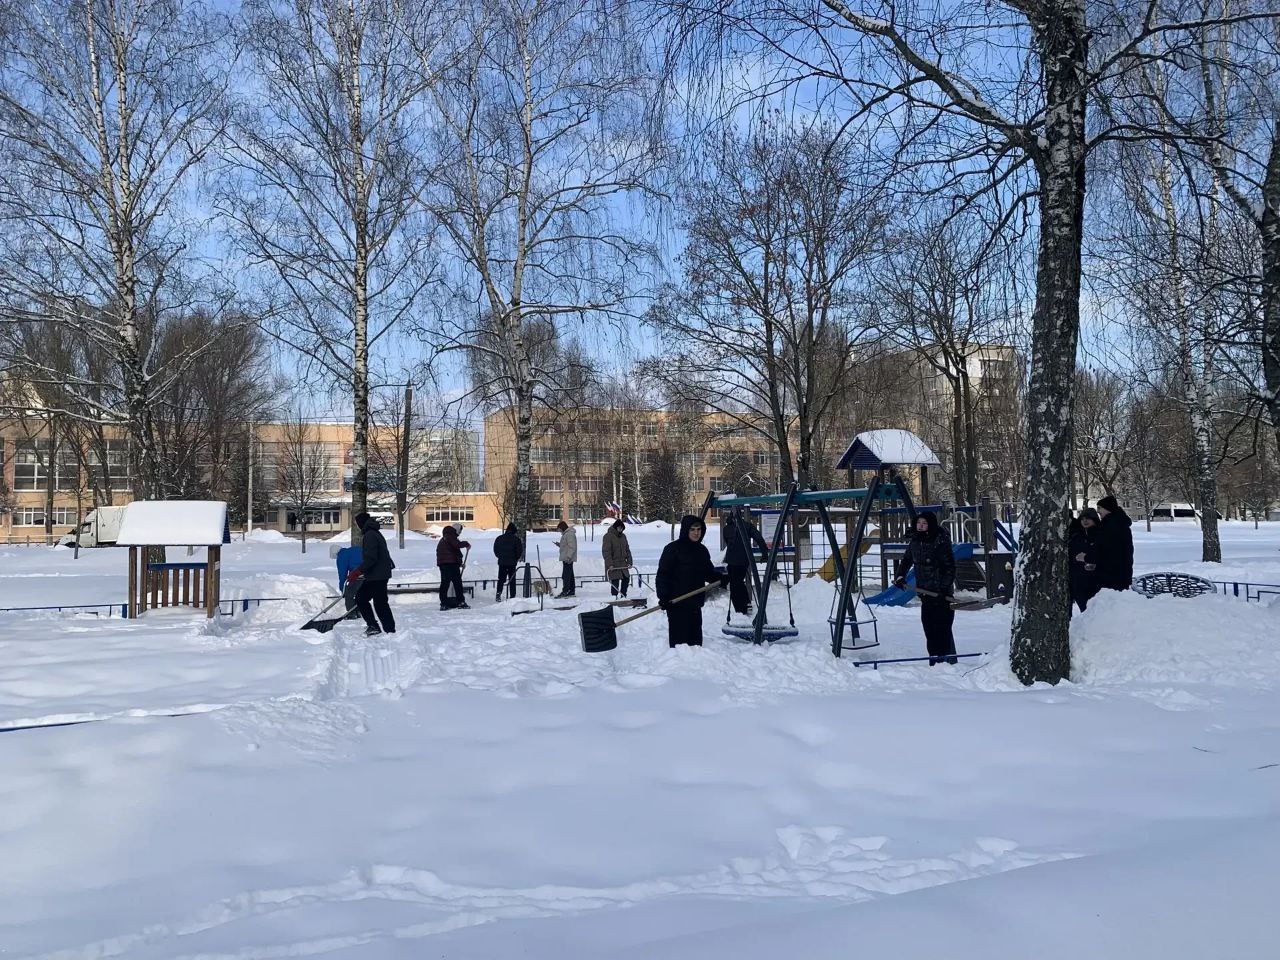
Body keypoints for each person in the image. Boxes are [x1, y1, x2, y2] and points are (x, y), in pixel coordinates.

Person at [893, 512, 957, 665]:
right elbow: (907, 560)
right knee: (929, 629)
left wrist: (942, 589)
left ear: (931, 525)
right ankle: (934, 663)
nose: (921, 526)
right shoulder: (915, 541)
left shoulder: (939, 541)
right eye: (919, 523)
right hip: (925, 594)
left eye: (924, 523)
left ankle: (945, 664)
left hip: (942, 596)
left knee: (942, 630)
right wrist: (900, 576)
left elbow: (950, 568)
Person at [655, 514, 728, 648]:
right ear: (686, 530)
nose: (696, 533)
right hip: (676, 603)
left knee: (695, 646)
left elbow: (708, 573)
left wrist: (721, 579)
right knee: (680, 647)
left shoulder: (701, 550)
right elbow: (663, 575)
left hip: (694, 603)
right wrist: (664, 596)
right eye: (692, 529)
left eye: (699, 529)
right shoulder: (672, 549)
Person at [346, 511, 396, 636]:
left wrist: (357, 572)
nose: (357, 527)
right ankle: (378, 626)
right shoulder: (375, 532)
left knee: (376, 602)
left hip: (377, 575)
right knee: (365, 599)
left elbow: (371, 558)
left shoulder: (370, 535)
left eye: (357, 524)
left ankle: (385, 629)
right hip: (377, 574)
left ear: (361, 523)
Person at [721, 510, 768, 616]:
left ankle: (741, 608)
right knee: (737, 582)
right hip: (743, 560)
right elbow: (759, 538)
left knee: (735, 583)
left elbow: (728, 542)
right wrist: (764, 553)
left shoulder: (726, 529)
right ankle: (745, 607)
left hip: (732, 560)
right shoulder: (747, 526)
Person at [1093, 495, 1134, 592]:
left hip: (1112, 576)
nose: (1098, 511)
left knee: (1110, 603)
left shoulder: (1111, 526)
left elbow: (1104, 550)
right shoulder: (1117, 523)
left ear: (1108, 509)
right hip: (1118, 575)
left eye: (1099, 508)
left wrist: (1087, 558)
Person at [1068, 508, 1101, 612]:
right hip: (1077, 579)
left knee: (1094, 610)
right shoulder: (1076, 534)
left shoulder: (1101, 535)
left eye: (1088, 519)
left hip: (1095, 580)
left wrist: (1088, 557)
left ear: (1094, 520)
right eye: (1083, 519)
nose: (1085, 521)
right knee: (1084, 607)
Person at [436, 524, 471, 610]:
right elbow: (456, 545)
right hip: (450, 565)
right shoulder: (450, 535)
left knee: (445, 584)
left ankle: (444, 603)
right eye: (460, 531)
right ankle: (460, 602)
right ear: (456, 530)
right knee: (457, 584)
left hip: (445, 564)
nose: (460, 533)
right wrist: (466, 544)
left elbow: (454, 553)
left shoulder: (445, 538)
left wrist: (459, 564)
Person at [602, 520, 633, 597]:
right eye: (619, 528)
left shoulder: (623, 536)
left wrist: (629, 561)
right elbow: (606, 552)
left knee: (626, 579)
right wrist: (610, 565)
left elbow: (627, 550)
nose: (621, 530)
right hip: (614, 564)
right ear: (615, 527)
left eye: (622, 528)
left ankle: (623, 595)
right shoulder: (608, 536)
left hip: (622, 563)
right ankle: (614, 597)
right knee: (615, 582)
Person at [493, 522, 523, 602]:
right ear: (513, 531)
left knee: (501, 579)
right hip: (512, 563)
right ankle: (512, 596)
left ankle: (498, 594)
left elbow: (495, 550)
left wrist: (500, 557)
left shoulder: (499, 538)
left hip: (502, 562)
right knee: (512, 579)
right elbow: (519, 551)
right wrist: (515, 558)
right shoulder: (516, 539)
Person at [554, 519, 577, 598]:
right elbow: (567, 545)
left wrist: (568, 557)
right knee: (570, 575)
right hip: (566, 558)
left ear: (562, 528)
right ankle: (571, 590)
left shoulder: (569, 534)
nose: (559, 531)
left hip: (568, 558)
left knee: (566, 575)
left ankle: (566, 590)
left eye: (559, 529)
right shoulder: (566, 534)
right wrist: (559, 545)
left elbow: (572, 547)